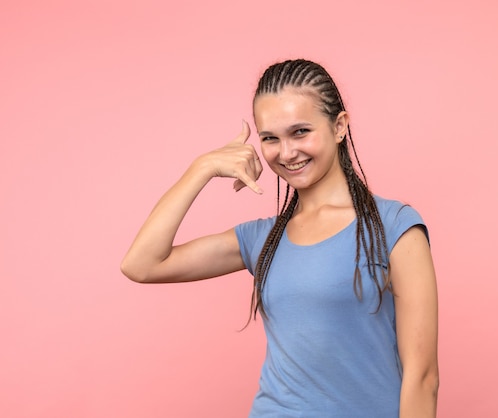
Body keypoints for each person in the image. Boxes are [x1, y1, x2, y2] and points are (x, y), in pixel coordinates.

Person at [121, 59, 439, 417]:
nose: (286, 153)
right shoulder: (263, 239)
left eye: (300, 132)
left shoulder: (393, 227)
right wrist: (203, 167)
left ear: (339, 126)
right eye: (270, 138)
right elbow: (142, 264)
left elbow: (423, 377)